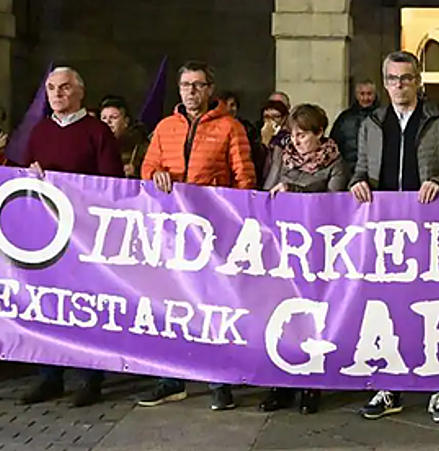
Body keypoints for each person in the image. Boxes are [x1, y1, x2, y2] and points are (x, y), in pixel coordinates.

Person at [351, 51, 439, 424]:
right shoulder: (371, 123)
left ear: (418, 81)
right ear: (384, 82)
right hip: (386, 230)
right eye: (392, 78)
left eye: (406, 78)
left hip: (431, 227)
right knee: (389, 306)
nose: (399, 85)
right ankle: (390, 385)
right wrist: (358, 184)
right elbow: (361, 169)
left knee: (436, 305)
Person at [138, 61, 256, 412]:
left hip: (213, 230)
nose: (191, 91)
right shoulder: (164, 128)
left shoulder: (230, 127)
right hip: (172, 230)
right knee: (172, 304)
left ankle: (220, 381)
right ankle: (171, 380)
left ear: (210, 90)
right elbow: (147, 168)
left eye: (197, 85)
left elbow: (244, 178)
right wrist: (157, 172)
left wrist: (236, 224)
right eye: (185, 84)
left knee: (214, 307)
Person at [20, 68, 123, 407]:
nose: (57, 94)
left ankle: (90, 378)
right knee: (47, 303)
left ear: (80, 92)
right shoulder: (40, 130)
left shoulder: (97, 132)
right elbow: (22, 178)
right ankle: (49, 376)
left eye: (64, 88)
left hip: (85, 234)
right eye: (51, 88)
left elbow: (113, 185)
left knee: (84, 307)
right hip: (47, 234)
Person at [259, 103, 346, 416]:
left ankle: (312, 384)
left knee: (313, 316)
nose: (296, 140)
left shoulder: (335, 162)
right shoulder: (284, 157)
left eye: (303, 134)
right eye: (293, 134)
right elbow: (268, 190)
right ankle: (281, 383)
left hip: (318, 250)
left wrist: (295, 189)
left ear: (319, 133)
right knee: (281, 313)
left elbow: (334, 203)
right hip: (285, 247)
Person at [330, 79, 378, 176]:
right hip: (348, 170)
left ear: (375, 95)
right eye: (362, 94)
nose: (365, 98)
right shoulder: (344, 118)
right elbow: (334, 144)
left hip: (375, 171)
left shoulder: (383, 116)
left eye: (369, 94)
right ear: (357, 95)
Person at [99, 96, 151, 178]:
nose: (108, 122)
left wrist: (137, 172)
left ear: (126, 121)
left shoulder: (139, 145)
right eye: (104, 118)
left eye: (114, 117)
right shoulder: (95, 144)